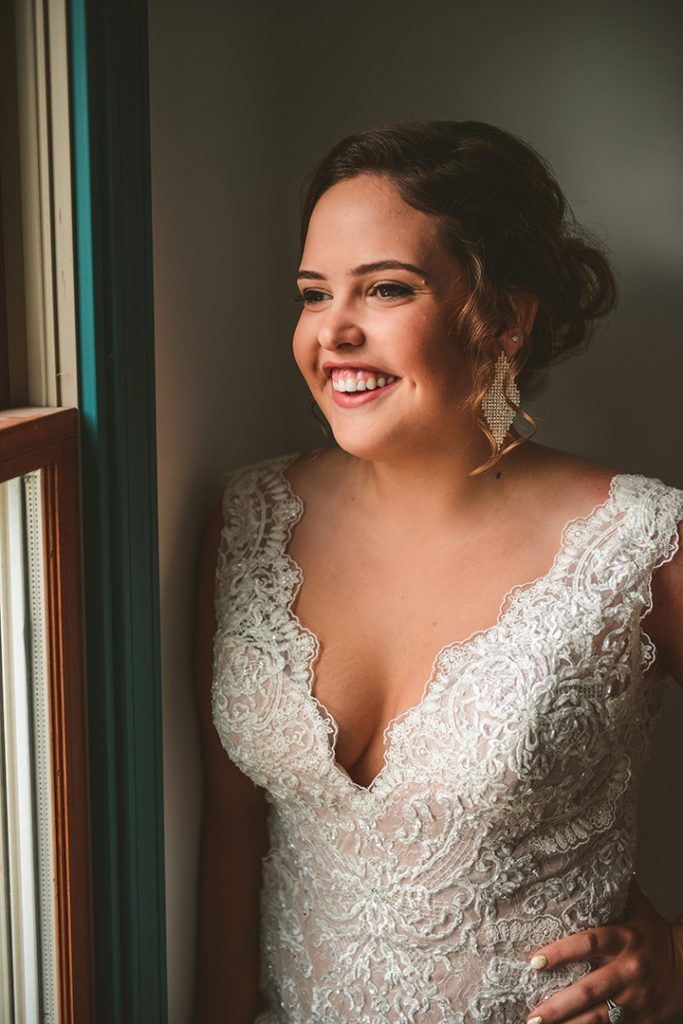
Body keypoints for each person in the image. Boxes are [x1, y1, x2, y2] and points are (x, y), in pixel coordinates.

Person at [195, 121, 683, 1024]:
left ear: (505, 318)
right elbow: (232, 827)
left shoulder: (641, 539)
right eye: (312, 294)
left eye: (385, 288)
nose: (333, 331)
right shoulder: (249, 519)